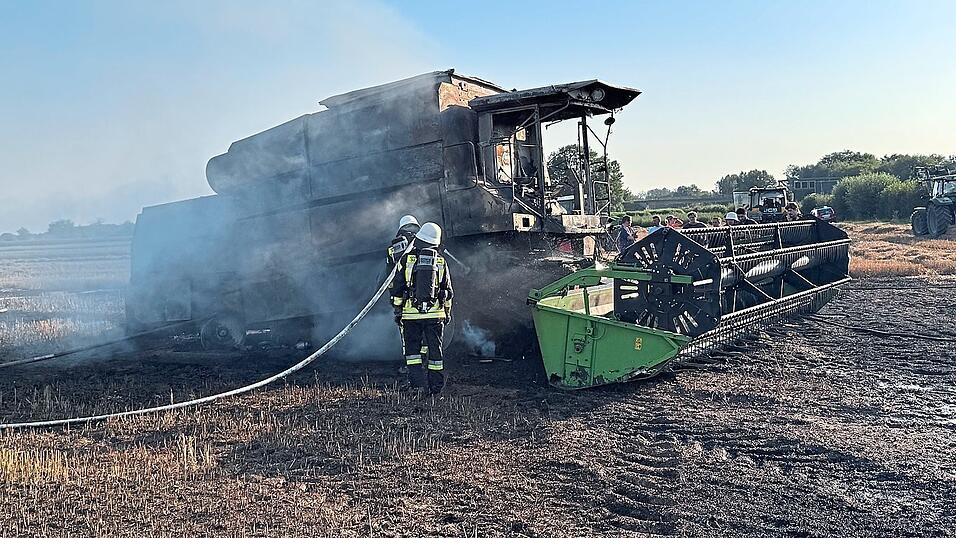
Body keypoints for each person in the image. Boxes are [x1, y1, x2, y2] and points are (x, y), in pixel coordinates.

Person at [390, 222, 453, 395]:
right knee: (435, 352)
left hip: (411, 315)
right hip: (436, 315)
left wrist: (397, 310)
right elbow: (448, 291)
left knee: (412, 352)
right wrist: (446, 312)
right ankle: (436, 388)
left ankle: (417, 385)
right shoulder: (441, 261)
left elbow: (398, 288)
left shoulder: (407, 259)